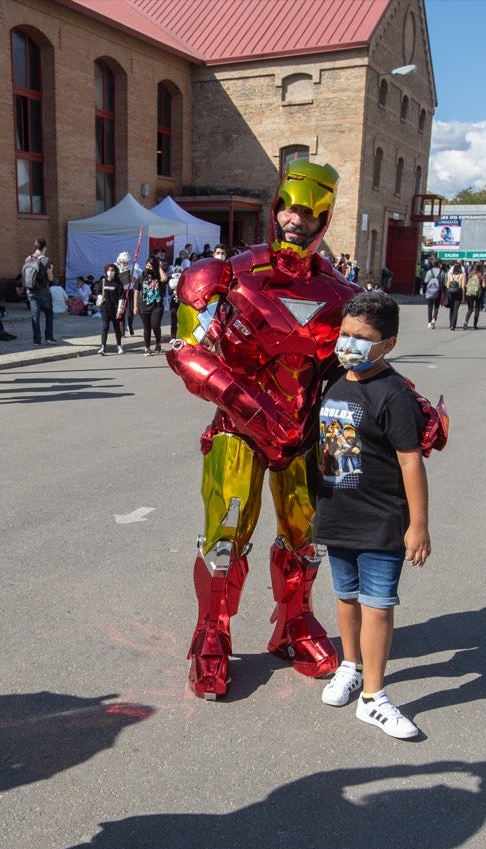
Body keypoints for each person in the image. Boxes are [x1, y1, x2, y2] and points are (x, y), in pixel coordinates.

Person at [167, 159, 361, 699]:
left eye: (311, 213)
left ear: (325, 221)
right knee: (225, 539)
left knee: (306, 540)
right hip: (238, 430)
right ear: (276, 208)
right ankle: (213, 632)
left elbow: (359, 368)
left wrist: (411, 410)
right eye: (291, 208)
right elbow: (186, 353)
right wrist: (251, 406)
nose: (298, 221)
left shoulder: (342, 296)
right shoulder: (220, 277)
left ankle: (294, 623)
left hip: (305, 434)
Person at [314, 292, 435, 740]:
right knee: (345, 598)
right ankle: (349, 666)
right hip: (337, 512)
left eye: (362, 338)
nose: (349, 344)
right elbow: (332, 451)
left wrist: (418, 525)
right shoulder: (334, 381)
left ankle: (374, 697)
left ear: (387, 344)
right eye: (345, 334)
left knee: (378, 607)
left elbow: (410, 461)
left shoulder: (394, 394)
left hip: (382, 519)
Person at [22, 237, 56, 346]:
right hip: (43, 290)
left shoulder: (28, 259)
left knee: (35, 315)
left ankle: (36, 340)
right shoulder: (45, 260)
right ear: (44, 247)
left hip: (30, 290)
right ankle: (49, 337)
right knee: (49, 313)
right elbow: (50, 278)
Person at [137, 255, 167, 355]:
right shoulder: (142, 276)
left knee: (155, 325)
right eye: (147, 266)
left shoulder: (158, 276)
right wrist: (135, 306)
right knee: (146, 327)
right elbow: (136, 290)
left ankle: (158, 342)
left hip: (157, 306)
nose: (148, 268)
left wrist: (158, 267)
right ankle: (147, 347)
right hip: (144, 305)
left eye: (151, 266)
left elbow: (164, 279)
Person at [95, 262, 125, 354]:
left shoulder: (118, 283)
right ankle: (103, 347)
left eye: (112, 270)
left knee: (116, 328)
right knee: (105, 327)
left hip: (115, 309)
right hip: (105, 308)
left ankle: (119, 346)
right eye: (108, 270)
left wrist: (119, 310)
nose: (110, 272)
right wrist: (100, 298)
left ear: (115, 272)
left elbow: (121, 297)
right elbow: (98, 292)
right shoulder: (103, 281)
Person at [442, 263, 465, 330]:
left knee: (451, 310)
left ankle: (450, 324)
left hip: (451, 293)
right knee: (455, 310)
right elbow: (463, 286)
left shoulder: (450, 275)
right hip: (458, 293)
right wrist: (463, 296)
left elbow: (447, 286)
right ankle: (453, 325)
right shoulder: (462, 276)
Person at [421, 260, 441, 328]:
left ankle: (429, 322)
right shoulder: (442, 272)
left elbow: (426, 281)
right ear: (439, 264)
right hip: (438, 291)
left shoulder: (429, 272)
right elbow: (444, 282)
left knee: (430, 307)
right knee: (436, 306)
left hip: (429, 291)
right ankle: (434, 319)